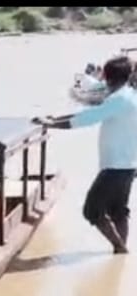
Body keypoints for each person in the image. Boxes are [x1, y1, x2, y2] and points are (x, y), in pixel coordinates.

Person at [36, 56, 137, 254]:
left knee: (92, 210)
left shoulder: (119, 99)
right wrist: (54, 119)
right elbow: (89, 115)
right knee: (118, 210)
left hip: (115, 166)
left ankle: (120, 248)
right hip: (127, 164)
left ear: (107, 77)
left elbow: (86, 119)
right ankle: (119, 255)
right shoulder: (130, 96)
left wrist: (51, 124)